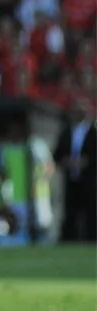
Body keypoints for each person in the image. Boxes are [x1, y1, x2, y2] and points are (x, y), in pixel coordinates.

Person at [54, 99, 96, 242]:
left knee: (90, 211)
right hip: (71, 180)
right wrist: (66, 162)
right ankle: (70, 240)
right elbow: (57, 154)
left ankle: (92, 239)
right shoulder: (66, 132)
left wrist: (86, 162)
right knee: (70, 211)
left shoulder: (93, 132)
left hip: (89, 180)